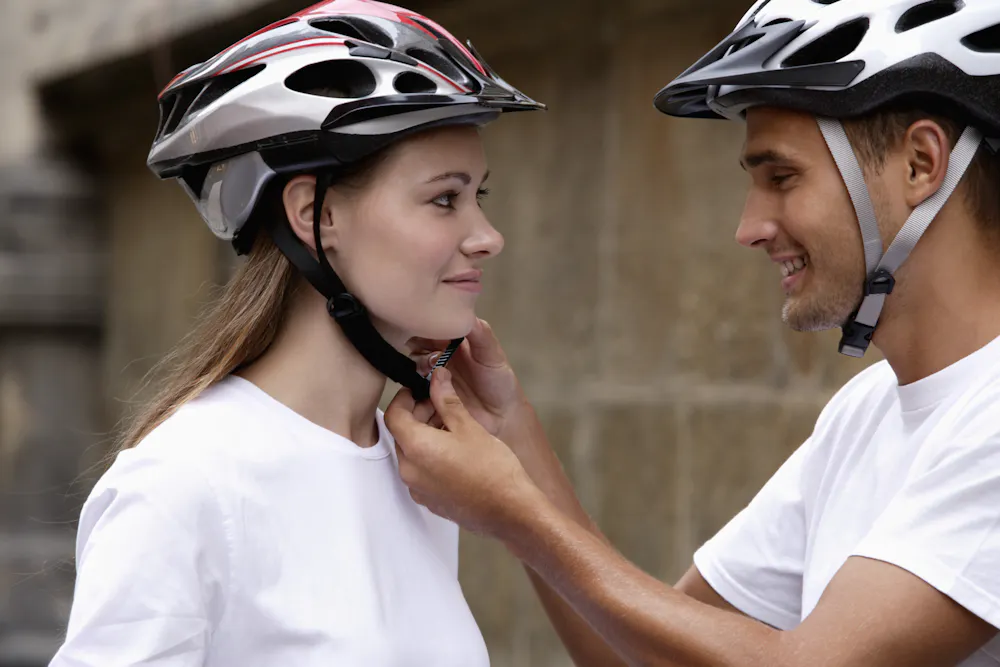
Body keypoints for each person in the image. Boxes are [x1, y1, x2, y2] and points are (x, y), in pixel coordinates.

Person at [385, 0, 1000, 665]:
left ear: (920, 164)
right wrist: (511, 435)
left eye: (781, 177)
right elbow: (640, 654)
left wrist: (516, 516)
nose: (749, 226)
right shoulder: (865, 413)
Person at [49, 1, 543, 665]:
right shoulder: (184, 483)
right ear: (315, 214)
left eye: (479, 196)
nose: (488, 237)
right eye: (444, 199)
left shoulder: (416, 470)